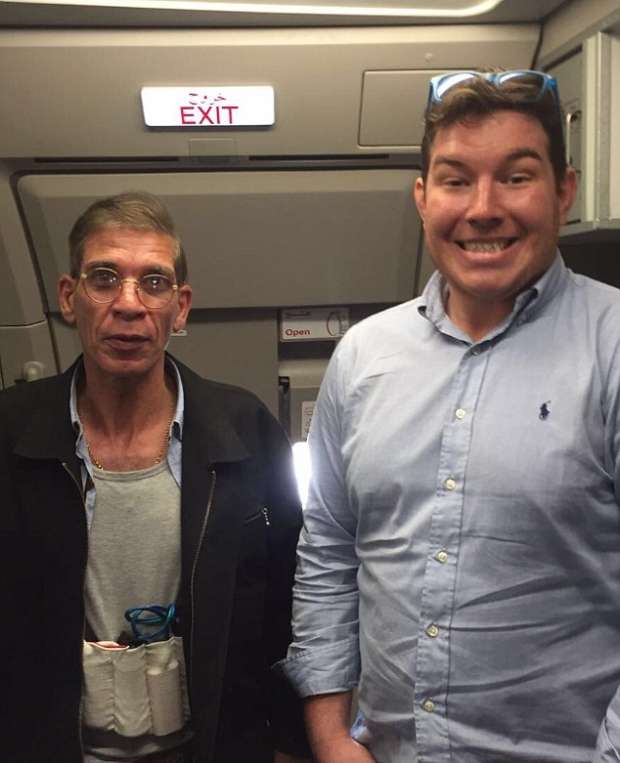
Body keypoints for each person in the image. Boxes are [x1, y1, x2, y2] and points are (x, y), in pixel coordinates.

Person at [279, 70, 620, 763]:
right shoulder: (362, 357)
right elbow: (330, 550)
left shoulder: (611, 346)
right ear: (422, 197)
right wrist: (330, 736)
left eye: (516, 177)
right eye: (456, 180)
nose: (483, 208)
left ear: (564, 191)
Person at [0, 192, 308, 763]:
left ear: (180, 307)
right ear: (69, 297)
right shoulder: (10, 432)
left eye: (154, 283)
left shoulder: (243, 429)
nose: (129, 304)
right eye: (104, 278)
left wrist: (292, 744)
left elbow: (291, 603)